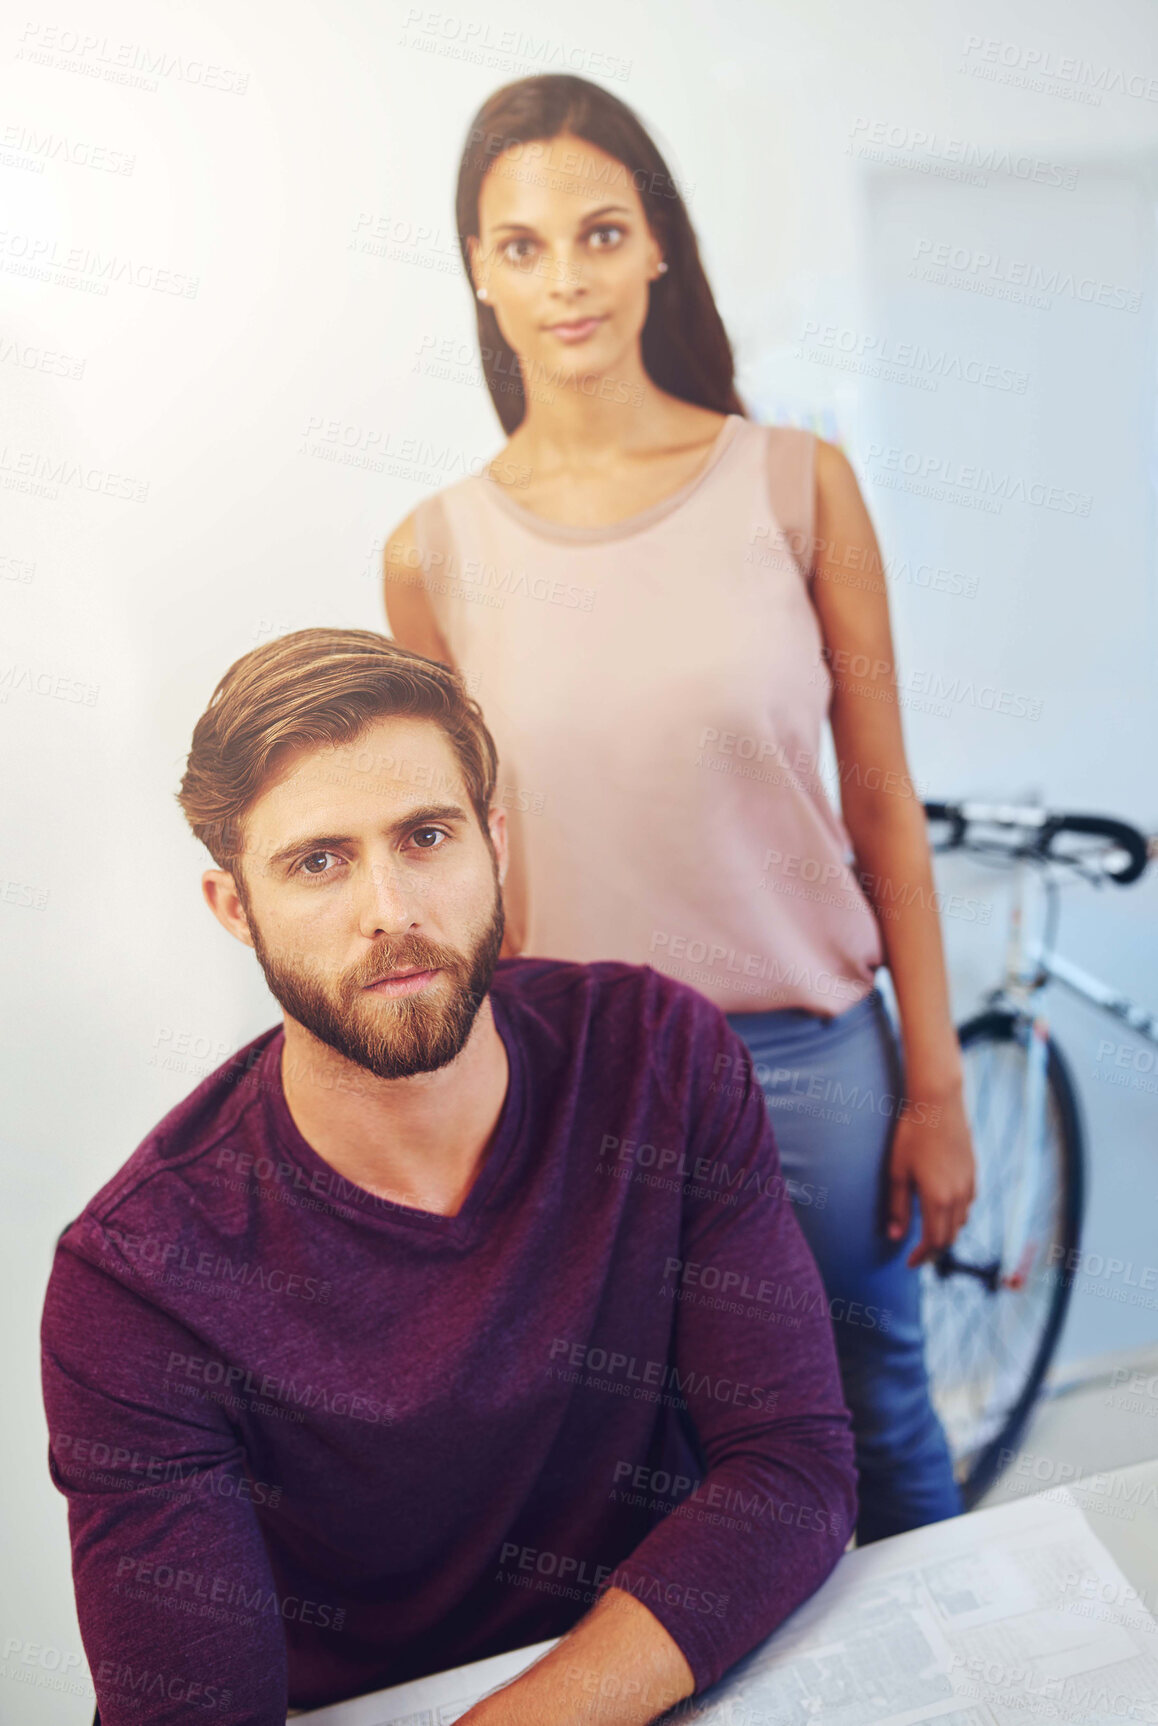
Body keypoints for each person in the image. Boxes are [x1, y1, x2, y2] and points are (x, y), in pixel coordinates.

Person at [41, 628, 856, 1726]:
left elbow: (791, 1466)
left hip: (661, 1667)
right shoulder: (135, 1280)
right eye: (317, 860)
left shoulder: (658, 1053)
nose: (391, 907)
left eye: (426, 835)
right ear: (235, 908)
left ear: (495, 844)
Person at [383, 73, 975, 1545]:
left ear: (657, 245)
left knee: (870, 1416)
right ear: (476, 270)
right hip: (580, 1081)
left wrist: (938, 1089)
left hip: (807, 1061)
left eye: (598, 231)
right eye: (520, 245)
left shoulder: (795, 486)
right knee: (656, 1472)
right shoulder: (430, 554)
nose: (564, 276)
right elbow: (443, 870)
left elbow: (882, 806)